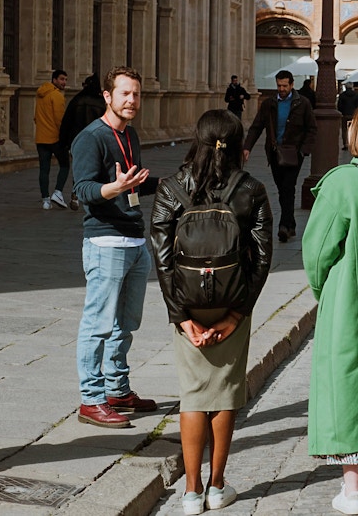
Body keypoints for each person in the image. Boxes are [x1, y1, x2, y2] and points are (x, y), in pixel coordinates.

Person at [151, 109, 272, 515]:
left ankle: (190, 492)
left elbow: (162, 257)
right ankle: (217, 488)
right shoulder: (251, 189)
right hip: (231, 300)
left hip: (187, 303)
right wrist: (237, 314)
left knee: (193, 396)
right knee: (224, 394)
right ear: (238, 145)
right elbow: (261, 257)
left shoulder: (171, 188)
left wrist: (180, 316)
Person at [71, 66, 159, 429]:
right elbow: (84, 191)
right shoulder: (91, 138)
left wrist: (175, 184)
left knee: (126, 323)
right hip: (105, 240)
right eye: (125, 93)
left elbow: (134, 185)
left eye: (136, 94)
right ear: (107, 96)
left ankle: (117, 389)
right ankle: (91, 400)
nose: (132, 100)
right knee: (98, 324)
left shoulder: (130, 135)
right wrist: (116, 188)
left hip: (136, 239)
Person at [302, 109, 358, 516]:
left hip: (351, 299)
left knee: (347, 384)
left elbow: (318, 252)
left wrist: (327, 290)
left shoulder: (343, 184)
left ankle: (353, 487)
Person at [243, 69, 317, 243]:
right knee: (282, 189)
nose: (281, 89)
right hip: (275, 154)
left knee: (288, 187)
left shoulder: (302, 103)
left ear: (292, 84)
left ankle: (284, 226)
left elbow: (312, 129)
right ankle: (290, 224)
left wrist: (303, 151)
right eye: (279, 85)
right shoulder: (269, 104)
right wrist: (247, 147)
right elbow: (256, 126)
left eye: (285, 85)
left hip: (294, 154)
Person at [59, 73, 106, 210]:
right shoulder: (101, 103)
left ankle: (76, 193)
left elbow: (66, 122)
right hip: (97, 140)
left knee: (79, 167)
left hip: (77, 140)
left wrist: (63, 142)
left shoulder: (77, 100)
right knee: (96, 167)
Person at [34, 69, 70, 210]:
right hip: (55, 138)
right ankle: (58, 192)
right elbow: (59, 120)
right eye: (61, 79)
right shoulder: (57, 96)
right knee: (65, 165)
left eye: (65, 79)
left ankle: (45, 200)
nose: (64, 82)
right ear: (54, 80)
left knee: (44, 169)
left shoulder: (40, 94)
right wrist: (65, 137)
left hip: (41, 138)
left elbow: (36, 117)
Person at [337, 82, 358, 150]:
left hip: (345, 115)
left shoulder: (342, 95)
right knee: (354, 129)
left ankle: (345, 144)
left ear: (345, 87)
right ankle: (353, 143)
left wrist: (342, 112)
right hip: (353, 115)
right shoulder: (356, 95)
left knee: (344, 130)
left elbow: (339, 105)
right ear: (352, 87)